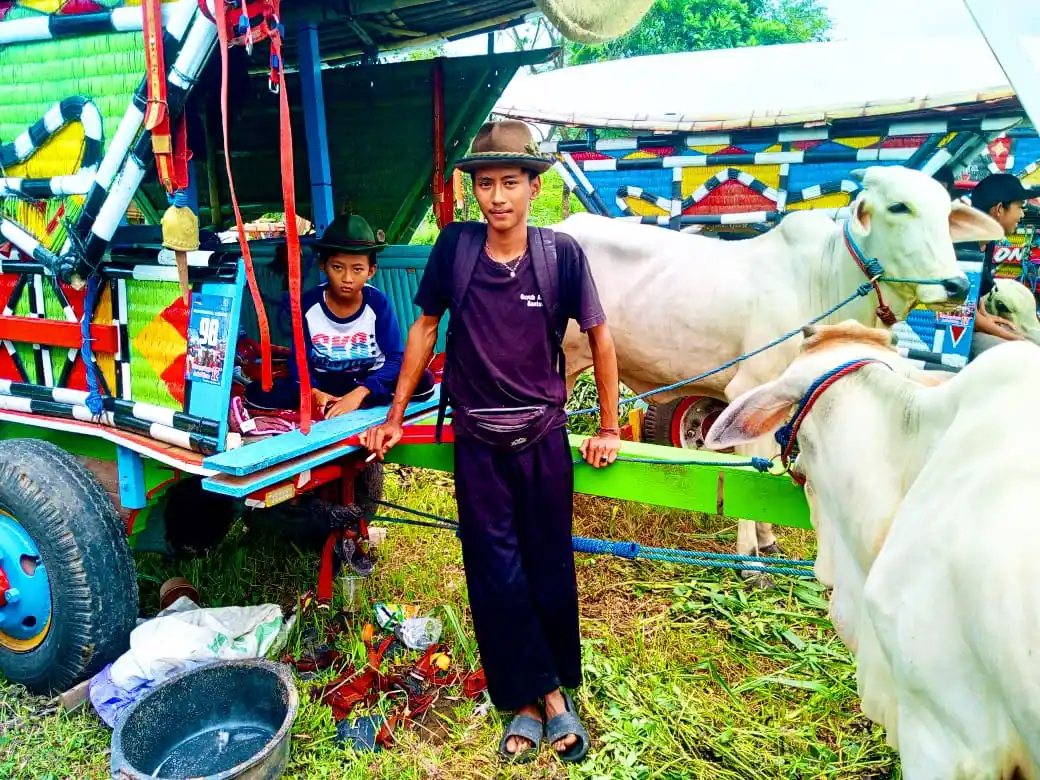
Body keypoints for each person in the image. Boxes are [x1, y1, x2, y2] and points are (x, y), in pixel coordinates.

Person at [360, 120, 622, 763]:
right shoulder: (455, 247)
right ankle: (533, 701)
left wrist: (610, 425)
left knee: (548, 566)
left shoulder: (561, 254)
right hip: (475, 436)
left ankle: (549, 695)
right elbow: (424, 330)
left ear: (533, 186)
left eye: (511, 182)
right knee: (493, 571)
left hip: (542, 436)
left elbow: (600, 337)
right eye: (485, 183)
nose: (497, 196)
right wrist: (395, 414)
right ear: (474, 189)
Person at [244, 213, 433, 418]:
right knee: (256, 393)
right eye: (337, 268)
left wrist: (362, 391)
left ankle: (359, 399)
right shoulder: (308, 305)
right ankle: (331, 401)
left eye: (357, 269)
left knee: (424, 382)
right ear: (323, 265)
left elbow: (396, 358)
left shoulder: (378, 303)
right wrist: (313, 392)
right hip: (326, 382)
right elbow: (299, 359)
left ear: (371, 271)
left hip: (369, 379)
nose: (347, 278)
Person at [963, 173, 1039, 359]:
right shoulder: (963, 245)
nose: (1022, 215)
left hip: (972, 324)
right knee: (1022, 356)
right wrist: (1011, 338)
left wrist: (986, 316)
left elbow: (975, 292)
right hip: (956, 335)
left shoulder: (987, 242)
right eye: (1020, 207)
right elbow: (963, 313)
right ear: (999, 209)